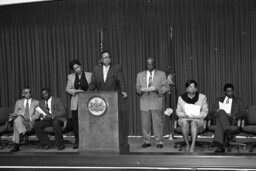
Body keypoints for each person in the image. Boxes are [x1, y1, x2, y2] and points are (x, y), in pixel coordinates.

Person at [136, 57, 168, 148]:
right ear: (146, 64)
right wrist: (140, 91)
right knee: (145, 124)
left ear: (154, 64)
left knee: (157, 123)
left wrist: (157, 90)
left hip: (156, 101)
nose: (150, 65)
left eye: (151, 63)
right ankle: (147, 141)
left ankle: (159, 141)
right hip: (144, 101)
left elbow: (165, 87)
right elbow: (137, 87)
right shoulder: (140, 74)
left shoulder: (161, 74)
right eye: (148, 63)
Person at [209, 83, 246, 153]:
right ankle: (228, 132)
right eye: (228, 91)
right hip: (220, 119)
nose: (230, 93)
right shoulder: (218, 100)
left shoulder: (238, 100)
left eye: (231, 91)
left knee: (220, 122)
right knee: (221, 112)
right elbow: (211, 113)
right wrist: (217, 112)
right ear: (225, 92)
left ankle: (219, 145)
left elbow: (244, 113)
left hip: (232, 120)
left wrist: (232, 115)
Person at [176, 80, 208, 152]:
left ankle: (193, 145)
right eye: (190, 87)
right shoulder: (181, 98)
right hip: (185, 118)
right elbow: (178, 112)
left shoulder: (202, 97)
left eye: (194, 87)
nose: (192, 89)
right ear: (186, 89)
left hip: (197, 119)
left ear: (196, 88)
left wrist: (197, 116)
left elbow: (205, 111)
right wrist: (184, 115)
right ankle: (187, 144)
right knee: (184, 122)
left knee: (193, 122)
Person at [66, 59, 92, 149]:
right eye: (75, 68)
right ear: (73, 70)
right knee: (76, 123)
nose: (77, 69)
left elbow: (93, 87)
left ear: (81, 66)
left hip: (88, 102)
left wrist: (87, 93)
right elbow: (68, 89)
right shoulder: (71, 77)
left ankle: (89, 141)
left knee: (88, 123)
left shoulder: (90, 75)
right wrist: (76, 91)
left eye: (78, 67)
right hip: (76, 103)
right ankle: (77, 141)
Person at [9, 87, 39, 152]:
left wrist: (30, 118)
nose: (28, 94)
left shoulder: (36, 102)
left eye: (29, 92)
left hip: (30, 122)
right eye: (26, 93)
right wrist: (12, 116)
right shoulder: (18, 102)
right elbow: (15, 112)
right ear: (23, 94)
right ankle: (22, 131)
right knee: (18, 118)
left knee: (16, 123)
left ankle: (16, 144)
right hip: (21, 121)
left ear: (31, 94)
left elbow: (37, 115)